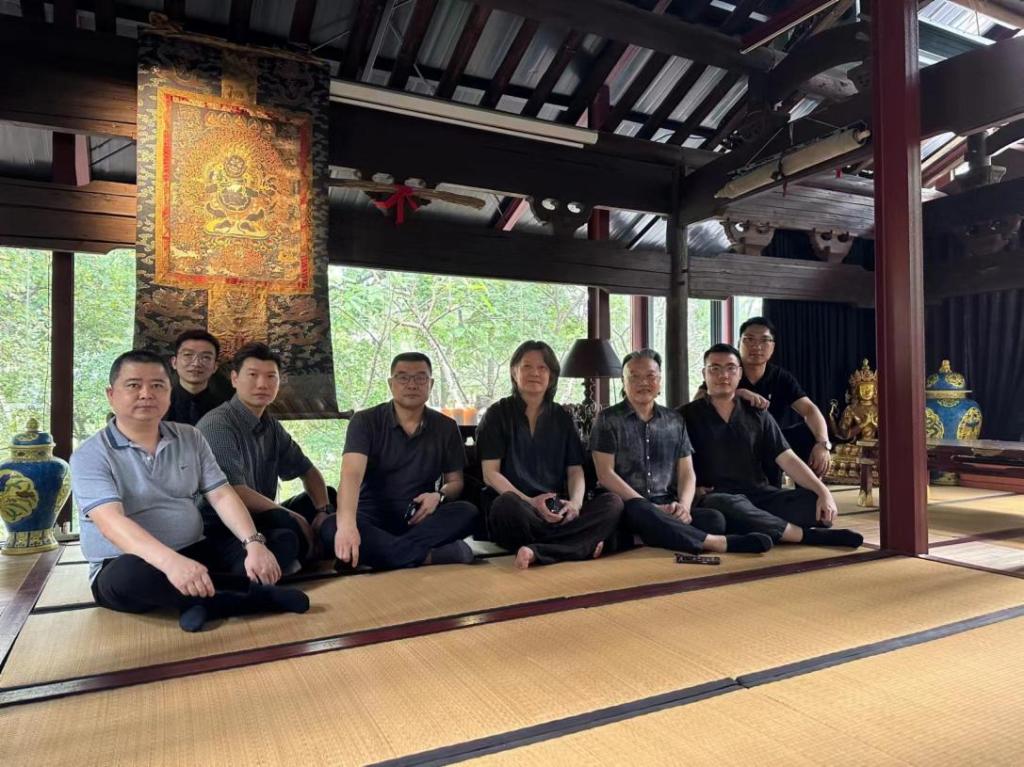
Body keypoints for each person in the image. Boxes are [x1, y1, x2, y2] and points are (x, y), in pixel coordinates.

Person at [71, 350, 309, 632]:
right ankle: (253, 598)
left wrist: (253, 543)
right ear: (111, 395)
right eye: (133, 385)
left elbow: (221, 494)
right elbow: (111, 522)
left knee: (279, 540)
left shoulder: (189, 437)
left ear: (169, 393)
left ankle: (195, 602)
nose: (146, 394)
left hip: (195, 550)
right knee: (127, 577)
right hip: (132, 562)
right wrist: (171, 563)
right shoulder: (90, 454)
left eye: (157, 385)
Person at [680, 344, 863, 549]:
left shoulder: (757, 413)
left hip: (760, 495)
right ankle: (806, 536)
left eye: (730, 368)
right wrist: (691, 491)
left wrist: (823, 492)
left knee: (812, 501)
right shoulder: (685, 416)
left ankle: (754, 526)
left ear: (740, 373)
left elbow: (788, 459)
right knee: (722, 507)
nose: (723, 375)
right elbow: (674, 465)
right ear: (704, 373)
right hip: (718, 496)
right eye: (715, 368)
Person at [591, 349, 773, 555]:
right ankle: (716, 543)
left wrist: (684, 507)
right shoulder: (607, 419)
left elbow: (687, 472)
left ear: (660, 380)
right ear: (623, 382)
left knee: (715, 519)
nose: (643, 382)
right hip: (629, 505)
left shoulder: (675, 420)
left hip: (667, 504)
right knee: (639, 509)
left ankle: (637, 539)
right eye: (635, 377)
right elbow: (605, 475)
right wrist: (650, 508)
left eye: (651, 376)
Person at [324, 353, 480, 571]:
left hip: (418, 517)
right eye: (403, 377)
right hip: (370, 517)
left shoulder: (446, 427)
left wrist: (439, 496)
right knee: (330, 527)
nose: (412, 385)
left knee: (468, 512)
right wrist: (347, 526)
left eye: (420, 378)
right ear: (391, 384)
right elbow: (351, 475)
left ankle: (377, 555)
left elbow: (455, 482)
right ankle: (427, 556)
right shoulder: (365, 421)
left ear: (431, 384)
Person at [477, 340, 623, 569]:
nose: (534, 373)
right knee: (505, 505)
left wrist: (575, 504)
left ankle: (538, 551)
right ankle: (576, 546)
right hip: (520, 508)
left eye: (542, 368)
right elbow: (490, 474)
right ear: (514, 372)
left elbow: (575, 470)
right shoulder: (497, 414)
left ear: (552, 376)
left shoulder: (562, 418)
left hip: (557, 509)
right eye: (527, 366)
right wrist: (531, 502)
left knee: (613, 503)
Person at [197, 343, 333, 570]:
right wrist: (295, 518)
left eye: (271, 376)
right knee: (287, 530)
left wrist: (323, 511)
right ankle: (291, 555)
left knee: (326, 496)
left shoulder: (270, 425)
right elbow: (234, 491)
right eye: (253, 375)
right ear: (234, 379)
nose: (262, 384)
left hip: (261, 518)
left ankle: (300, 554)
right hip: (223, 527)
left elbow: (307, 470)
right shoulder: (218, 424)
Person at [698, 317, 832, 482]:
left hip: (771, 441)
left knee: (806, 433)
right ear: (739, 343)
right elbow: (698, 401)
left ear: (772, 347)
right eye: (749, 339)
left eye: (764, 340)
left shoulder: (780, 377)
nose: (756, 346)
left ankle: (808, 490)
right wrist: (737, 393)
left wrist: (823, 444)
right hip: (733, 439)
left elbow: (810, 410)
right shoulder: (729, 371)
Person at [165, 329, 231, 426]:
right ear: (174, 362)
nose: (196, 363)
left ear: (215, 367)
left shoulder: (227, 407)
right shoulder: (158, 403)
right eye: (188, 355)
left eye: (206, 357)